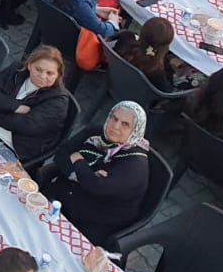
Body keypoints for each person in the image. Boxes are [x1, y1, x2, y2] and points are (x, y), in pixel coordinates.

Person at [43, 102, 151, 245]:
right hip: (63, 196)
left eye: (125, 124)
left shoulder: (136, 165)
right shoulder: (96, 132)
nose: (115, 126)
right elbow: (61, 154)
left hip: (94, 220)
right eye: (114, 118)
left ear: (136, 130)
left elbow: (96, 187)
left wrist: (78, 160)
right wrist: (85, 175)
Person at [0, 45, 76, 164]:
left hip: (11, 147)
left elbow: (26, 125)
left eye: (50, 73)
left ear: (58, 75)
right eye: (38, 69)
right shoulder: (16, 69)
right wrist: (16, 107)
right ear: (29, 65)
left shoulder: (58, 101)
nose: (42, 76)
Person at [112, 17, 181, 92]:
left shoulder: (126, 38)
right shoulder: (156, 70)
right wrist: (169, 67)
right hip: (135, 96)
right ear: (166, 46)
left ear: (142, 30)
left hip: (114, 82)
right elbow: (167, 91)